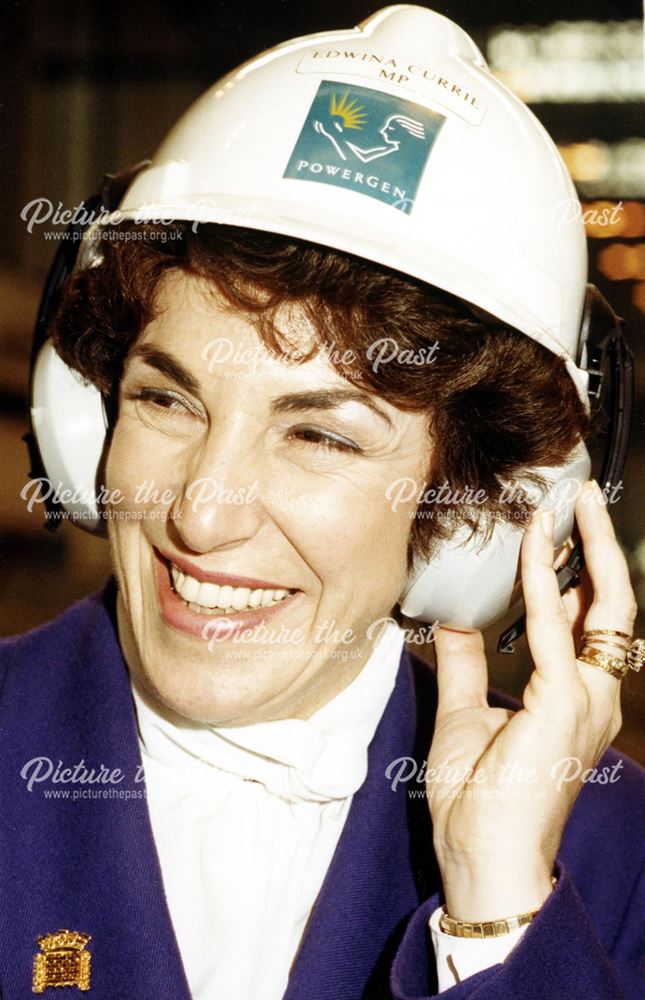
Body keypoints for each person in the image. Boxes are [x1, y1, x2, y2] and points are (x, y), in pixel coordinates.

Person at [1, 6, 644, 999]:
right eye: (165, 398)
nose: (202, 517)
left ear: (472, 513)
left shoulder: (613, 854)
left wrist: (501, 914)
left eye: (319, 435)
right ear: (86, 421)